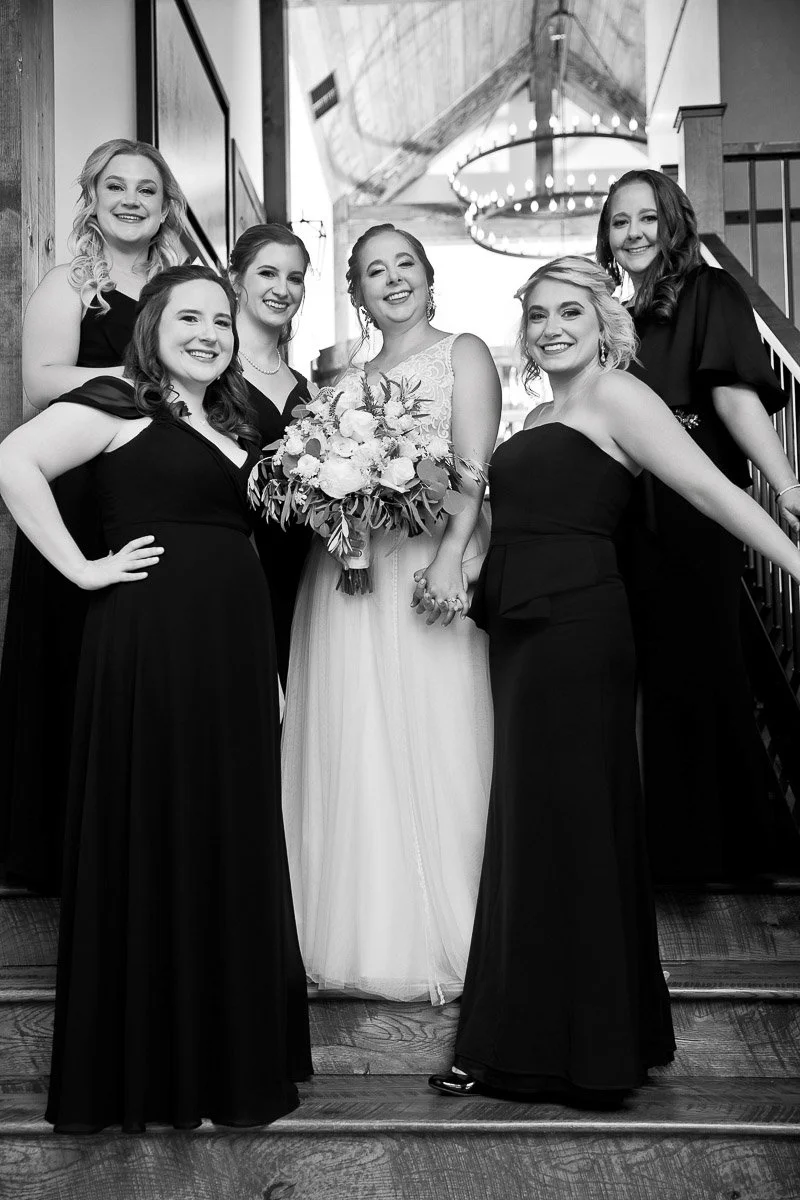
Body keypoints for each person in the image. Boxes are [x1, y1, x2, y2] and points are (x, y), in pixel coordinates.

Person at [429, 257, 800, 1100]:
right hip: (525, 634)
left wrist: (797, 560)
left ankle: (578, 1051)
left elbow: (708, 490)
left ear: (605, 324)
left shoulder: (619, 396)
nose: (552, 327)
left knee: (574, 828)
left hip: (577, 634)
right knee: (539, 830)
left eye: (571, 312)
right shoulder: (537, 411)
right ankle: (535, 1040)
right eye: (538, 316)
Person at [0, 265, 311, 1132]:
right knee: (157, 826)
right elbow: (13, 460)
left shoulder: (236, 420)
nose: (209, 332)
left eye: (221, 320)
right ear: (154, 325)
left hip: (235, 654)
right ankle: (152, 1066)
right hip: (148, 647)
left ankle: (224, 1054)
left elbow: (243, 547)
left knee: (226, 833)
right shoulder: (117, 402)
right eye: (190, 317)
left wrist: (271, 669)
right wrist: (81, 567)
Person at [281, 224, 500, 1004]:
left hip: (427, 566)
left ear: (429, 275)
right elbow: (315, 473)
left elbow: (474, 468)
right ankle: (356, 931)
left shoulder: (463, 352)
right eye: (375, 271)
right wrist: (327, 499)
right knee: (355, 738)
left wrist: (450, 557)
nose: (393, 279)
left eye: (404, 263)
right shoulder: (339, 376)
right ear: (359, 294)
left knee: (439, 734)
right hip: (348, 577)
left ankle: (464, 928)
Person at [0, 138, 194, 894]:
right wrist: (136, 372)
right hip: (81, 493)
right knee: (72, 654)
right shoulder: (69, 283)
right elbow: (42, 382)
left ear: (166, 201)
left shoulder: (181, 284)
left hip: (152, 492)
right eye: (117, 187)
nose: (132, 200)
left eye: (148, 189)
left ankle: (136, 838)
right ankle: (57, 847)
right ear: (93, 195)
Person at [596, 168, 800, 883]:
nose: (634, 234)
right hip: (630, 513)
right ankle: (671, 845)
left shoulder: (710, 293)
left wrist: (786, 485)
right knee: (653, 674)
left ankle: (723, 851)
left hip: (696, 507)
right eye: (620, 222)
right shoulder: (616, 318)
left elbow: (734, 400)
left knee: (705, 669)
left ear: (674, 222)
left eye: (647, 218)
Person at [229, 223, 314, 685]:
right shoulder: (211, 369)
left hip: (298, 569)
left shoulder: (305, 387)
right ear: (236, 278)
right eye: (267, 273)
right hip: (238, 568)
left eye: (295, 278)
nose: (282, 289)